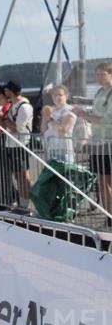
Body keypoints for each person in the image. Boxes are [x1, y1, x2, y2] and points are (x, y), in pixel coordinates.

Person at [73, 62, 112, 224]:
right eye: (97, 74)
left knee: (107, 182)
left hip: (108, 142)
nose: (98, 77)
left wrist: (85, 116)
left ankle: (110, 216)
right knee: (102, 182)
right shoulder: (100, 93)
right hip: (98, 142)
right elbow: (97, 114)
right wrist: (85, 113)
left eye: (102, 74)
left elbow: (109, 120)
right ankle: (108, 215)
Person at [1, 81, 34, 213]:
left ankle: (26, 204)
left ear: (10, 91)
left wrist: (4, 121)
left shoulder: (24, 107)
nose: (5, 93)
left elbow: (17, 128)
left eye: (6, 91)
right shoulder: (13, 105)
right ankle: (22, 202)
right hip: (11, 144)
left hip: (21, 144)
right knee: (17, 175)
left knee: (23, 175)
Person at [41, 85, 77, 164]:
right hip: (50, 149)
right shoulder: (51, 109)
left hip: (64, 151)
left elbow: (63, 130)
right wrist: (44, 116)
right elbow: (43, 129)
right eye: (54, 94)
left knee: (64, 175)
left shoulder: (70, 110)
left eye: (60, 94)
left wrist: (50, 118)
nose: (56, 97)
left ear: (66, 96)